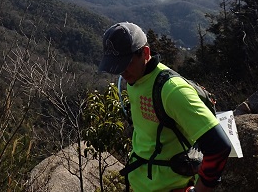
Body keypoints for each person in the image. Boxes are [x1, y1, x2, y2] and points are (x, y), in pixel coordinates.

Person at [99, 22, 231, 192]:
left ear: (145, 53)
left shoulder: (172, 91)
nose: (122, 72)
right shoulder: (135, 79)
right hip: (144, 183)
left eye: (126, 63)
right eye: (116, 66)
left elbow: (219, 146)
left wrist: (200, 190)